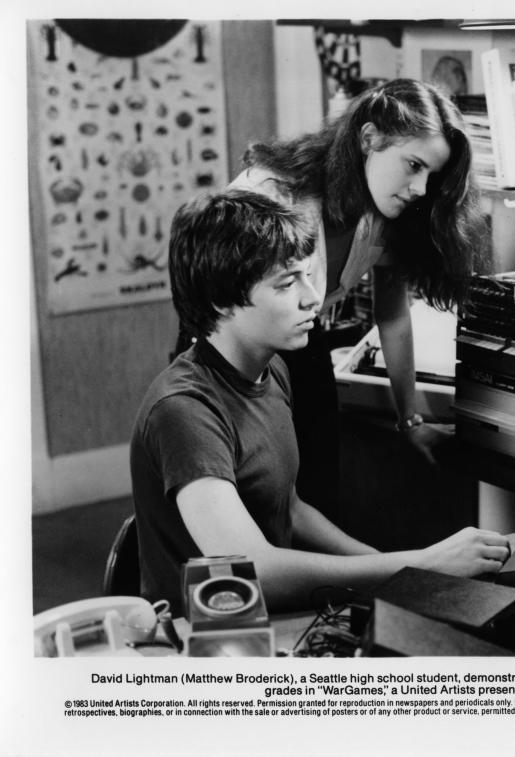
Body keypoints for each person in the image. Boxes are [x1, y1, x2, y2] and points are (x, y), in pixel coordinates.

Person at [132, 190, 509, 616]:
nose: (313, 297)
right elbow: (254, 572)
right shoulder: (184, 410)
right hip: (209, 637)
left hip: (270, 616)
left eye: (307, 275)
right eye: (287, 282)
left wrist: (404, 572)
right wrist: (417, 564)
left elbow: (291, 510)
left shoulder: (271, 370)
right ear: (221, 300)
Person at [175, 78, 489, 518]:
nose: (420, 188)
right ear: (369, 139)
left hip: (301, 336)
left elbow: (393, 315)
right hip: (228, 339)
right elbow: (219, 304)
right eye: (413, 165)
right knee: (242, 490)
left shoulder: (387, 209)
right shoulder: (271, 193)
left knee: (317, 485)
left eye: (431, 175)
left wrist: (410, 413)